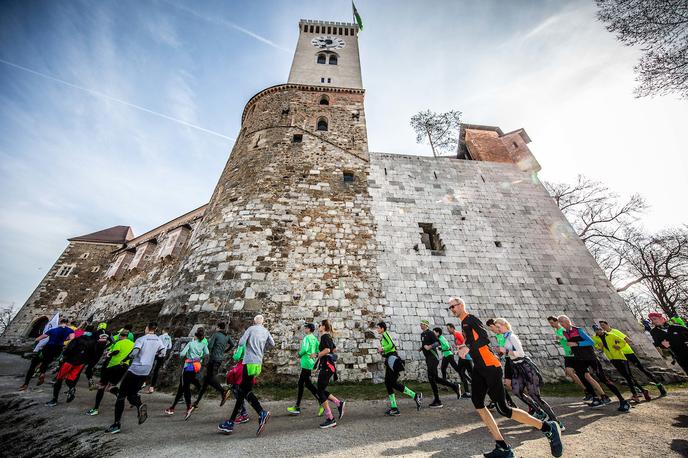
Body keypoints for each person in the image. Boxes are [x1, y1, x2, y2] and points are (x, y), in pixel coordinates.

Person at [448, 297, 562, 458]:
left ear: (461, 305)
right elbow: (475, 342)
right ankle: (502, 447)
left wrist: (466, 346)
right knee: (478, 403)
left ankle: (547, 428)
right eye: (450, 307)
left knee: (504, 409)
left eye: (453, 306)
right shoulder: (463, 323)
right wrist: (464, 347)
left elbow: (484, 338)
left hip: (490, 367)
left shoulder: (470, 319)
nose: (451, 309)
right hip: (479, 367)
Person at [494, 318, 562, 429]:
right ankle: (539, 412)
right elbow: (509, 353)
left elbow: (520, 353)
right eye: (496, 327)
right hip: (515, 366)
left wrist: (505, 351)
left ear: (505, 325)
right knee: (516, 391)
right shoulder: (505, 337)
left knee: (535, 395)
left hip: (525, 367)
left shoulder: (512, 337)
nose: (497, 329)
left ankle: (556, 421)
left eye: (498, 326)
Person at [557, 315, 630, 412]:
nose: (561, 324)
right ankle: (596, 398)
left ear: (567, 321)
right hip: (579, 359)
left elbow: (590, 342)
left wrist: (577, 344)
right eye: (559, 322)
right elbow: (570, 345)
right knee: (583, 377)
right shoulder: (565, 333)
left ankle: (622, 400)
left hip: (590, 358)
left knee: (603, 378)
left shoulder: (578, 330)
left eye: (561, 321)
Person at [218, 315, 274, 436]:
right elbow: (272, 344)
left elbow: (242, 342)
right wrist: (262, 350)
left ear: (254, 321)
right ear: (263, 322)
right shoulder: (265, 331)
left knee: (243, 391)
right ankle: (233, 421)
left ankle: (234, 422)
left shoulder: (250, 329)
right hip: (258, 364)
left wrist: (244, 348)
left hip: (248, 363)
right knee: (245, 391)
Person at [106, 322, 166, 434]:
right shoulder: (158, 340)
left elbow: (134, 353)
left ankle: (116, 424)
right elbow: (162, 353)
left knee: (121, 396)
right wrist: (153, 356)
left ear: (147, 328)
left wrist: (125, 360)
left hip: (135, 369)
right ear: (156, 329)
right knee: (132, 394)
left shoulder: (141, 339)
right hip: (146, 370)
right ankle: (139, 406)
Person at [598, 320, 666, 397]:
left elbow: (628, 340)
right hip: (620, 356)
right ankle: (639, 390)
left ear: (608, 325)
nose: (602, 327)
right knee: (628, 375)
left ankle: (659, 386)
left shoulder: (615, 331)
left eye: (603, 325)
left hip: (628, 353)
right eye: (601, 326)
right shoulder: (604, 336)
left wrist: (619, 345)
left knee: (642, 369)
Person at [591, 325, 648, 403]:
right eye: (597, 330)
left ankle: (635, 394)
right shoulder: (595, 338)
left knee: (627, 376)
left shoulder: (611, 335)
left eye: (600, 329)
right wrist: (599, 346)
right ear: (595, 331)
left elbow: (623, 341)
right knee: (627, 376)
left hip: (620, 357)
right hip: (612, 358)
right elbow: (595, 346)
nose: (599, 331)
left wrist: (618, 346)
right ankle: (642, 391)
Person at [375, 321, 422, 416]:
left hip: (392, 360)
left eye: (378, 328)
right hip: (390, 360)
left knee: (391, 383)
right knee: (388, 383)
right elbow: (389, 348)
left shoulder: (385, 334)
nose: (377, 329)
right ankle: (394, 407)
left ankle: (414, 395)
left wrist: (382, 348)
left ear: (382, 328)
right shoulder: (383, 336)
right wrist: (383, 352)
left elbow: (392, 345)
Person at [87, 325, 135, 416]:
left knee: (102, 386)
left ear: (121, 335)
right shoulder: (133, 344)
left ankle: (95, 408)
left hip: (112, 366)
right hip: (124, 368)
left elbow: (116, 351)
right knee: (111, 386)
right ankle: (123, 396)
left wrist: (109, 354)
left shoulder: (119, 343)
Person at [46, 324, 98, 406]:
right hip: (80, 363)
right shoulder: (94, 342)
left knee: (59, 380)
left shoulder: (78, 339)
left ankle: (54, 399)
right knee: (70, 379)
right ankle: (71, 388)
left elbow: (69, 349)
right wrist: (86, 361)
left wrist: (63, 357)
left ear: (85, 330)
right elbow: (94, 354)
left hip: (69, 361)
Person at [165, 327, 209, 420]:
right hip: (197, 366)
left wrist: (186, 353)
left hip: (188, 366)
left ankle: (189, 407)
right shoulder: (204, 344)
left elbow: (182, 354)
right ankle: (172, 408)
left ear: (195, 336)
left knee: (185, 387)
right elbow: (207, 353)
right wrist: (199, 358)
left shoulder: (191, 343)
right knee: (182, 386)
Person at [20, 318, 74, 390]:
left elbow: (42, 337)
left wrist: (35, 340)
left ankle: (26, 384)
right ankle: (42, 373)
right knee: (46, 361)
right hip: (58, 350)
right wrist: (65, 339)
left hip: (48, 347)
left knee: (34, 364)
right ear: (67, 323)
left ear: (60, 322)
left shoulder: (53, 330)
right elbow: (72, 338)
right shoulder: (70, 330)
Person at [546, 316, 590, 398]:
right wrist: (559, 342)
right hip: (567, 354)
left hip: (572, 352)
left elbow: (570, 338)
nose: (551, 324)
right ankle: (585, 389)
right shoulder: (557, 330)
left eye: (552, 322)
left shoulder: (563, 330)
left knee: (580, 373)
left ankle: (589, 390)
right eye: (550, 323)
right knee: (569, 372)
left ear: (557, 322)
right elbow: (564, 342)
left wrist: (562, 338)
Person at [420, 319, 460, 408]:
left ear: (426, 325)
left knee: (432, 377)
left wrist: (430, 346)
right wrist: (421, 348)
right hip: (428, 358)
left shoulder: (431, 333)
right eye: (420, 324)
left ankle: (438, 400)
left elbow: (437, 343)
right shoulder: (422, 334)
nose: (421, 325)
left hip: (433, 357)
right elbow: (425, 344)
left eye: (422, 324)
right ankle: (453, 386)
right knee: (435, 379)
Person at [314, 319, 346, 429]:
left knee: (319, 391)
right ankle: (338, 403)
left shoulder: (324, 337)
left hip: (327, 367)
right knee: (321, 390)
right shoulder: (328, 337)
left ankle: (330, 418)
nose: (318, 327)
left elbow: (328, 350)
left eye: (319, 325)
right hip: (328, 366)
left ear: (323, 327)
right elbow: (334, 349)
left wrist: (317, 355)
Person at [193, 322, 233, 407]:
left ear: (218, 327)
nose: (216, 328)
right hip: (219, 359)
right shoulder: (227, 336)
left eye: (216, 327)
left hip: (213, 359)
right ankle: (197, 401)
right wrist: (225, 351)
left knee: (209, 378)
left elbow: (210, 345)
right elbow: (232, 345)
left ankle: (223, 391)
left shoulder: (216, 334)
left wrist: (205, 353)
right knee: (206, 379)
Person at [287, 323, 321, 416]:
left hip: (306, 362)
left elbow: (305, 349)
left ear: (309, 329)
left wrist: (299, 354)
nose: (304, 329)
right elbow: (318, 350)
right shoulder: (314, 338)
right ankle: (297, 406)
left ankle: (321, 402)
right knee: (305, 384)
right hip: (311, 362)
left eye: (305, 328)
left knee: (305, 384)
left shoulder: (307, 338)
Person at [485, 319, 516, 409]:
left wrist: (499, 353)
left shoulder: (505, 334)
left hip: (513, 359)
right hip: (507, 359)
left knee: (506, 383)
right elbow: (503, 350)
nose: (492, 330)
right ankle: (498, 401)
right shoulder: (498, 335)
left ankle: (510, 402)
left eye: (491, 327)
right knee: (503, 383)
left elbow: (509, 349)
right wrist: (498, 355)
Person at [435, 327, 463, 396]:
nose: (434, 333)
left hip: (448, 355)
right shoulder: (441, 338)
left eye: (434, 332)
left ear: (438, 332)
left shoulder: (441, 338)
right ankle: (445, 385)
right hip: (446, 355)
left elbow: (447, 346)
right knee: (443, 369)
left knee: (456, 368)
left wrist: (441, 348)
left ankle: (464, 378)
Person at [446, 323, 472, 398]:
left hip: (466, 357)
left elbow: (466, 344)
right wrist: (457, 350)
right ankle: (467, 392)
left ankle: (471, 389)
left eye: (448, 328)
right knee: (462, 372)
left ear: (452, 328)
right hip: (463, 357)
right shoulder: (455, 335)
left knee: (464, 372)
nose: (448, 330)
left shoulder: (457, 334)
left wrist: (459, 348)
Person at [85, 322, 113, 390]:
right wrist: (105, 346)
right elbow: (113, 341)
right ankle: (90, 381)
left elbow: (89, 341)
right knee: (90, 367)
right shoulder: (109, 333)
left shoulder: (95, 332)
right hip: (99, 352)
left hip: (91, 351)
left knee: (82, 365)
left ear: (99, 326)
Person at [148, 327, 173, 393]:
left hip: (156, 354)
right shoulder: (169, 338)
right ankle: (152, 387)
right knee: (156, 370)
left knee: (150, 368)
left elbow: (156, 345)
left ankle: (143, 383)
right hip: (163, 355)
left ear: (163, 330)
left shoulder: (160, 336)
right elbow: (170, 346)